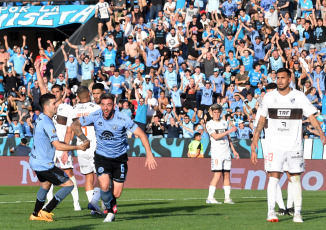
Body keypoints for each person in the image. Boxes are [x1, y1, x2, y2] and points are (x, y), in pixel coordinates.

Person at [251, 68, 326, 223]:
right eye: (278, 78)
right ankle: (271, 212)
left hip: (294, 146)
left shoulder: (298, 96)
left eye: (283, 78)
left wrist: (321, 133)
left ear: (290, 78)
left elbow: (311, 116)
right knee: (273, 177)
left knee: (296, 178)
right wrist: (254, 142)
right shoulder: (270, 97)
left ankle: (297, 212)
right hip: (274, 146)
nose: (279, 80)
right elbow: (261, 121)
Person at [71, 93, 157, 222]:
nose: (105, 108)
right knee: (104, 185)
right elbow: (75, 124)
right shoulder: (95, 115)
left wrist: (149, 154)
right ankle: (110, 210)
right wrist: (84, 139)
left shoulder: (123, 119)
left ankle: (109, 204)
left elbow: (141, 134)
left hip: (119, 158)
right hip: (102, 156)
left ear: (114, 105)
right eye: (103, 104)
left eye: (109, 105)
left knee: (116, 193)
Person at [29, 93, 89, 222]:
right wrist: (78, 147)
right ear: (46, 106)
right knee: (69, 185)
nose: (57, 105)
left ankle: (35, 214)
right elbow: (58, 146)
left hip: (35, 161)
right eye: (54, 103)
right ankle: (45, 211)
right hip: (44, 163)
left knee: (46, 184)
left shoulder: (41, 118)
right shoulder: (47, 122)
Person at [64, 86, 103, 213]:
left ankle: (93, 209)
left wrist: (66, 149)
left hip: (81, 148)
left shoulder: (73, 110)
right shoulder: (96, 108)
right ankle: (99, 203)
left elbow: (70, 130)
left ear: (78, 97)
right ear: (89, 94)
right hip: (95, 146)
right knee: (101, 176)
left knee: (88, 178)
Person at [206, 104, 239, 204]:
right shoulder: (209, 124)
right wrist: (229, 131)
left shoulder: (224, 123)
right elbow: (215, 136)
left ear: (220, 112)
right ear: (211, 113)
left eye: (218, 112)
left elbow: (228, 137)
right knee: (217, 174)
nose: (216, 114)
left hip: (226, 152)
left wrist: (233, 150)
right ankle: (210, 198)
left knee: (227, 174)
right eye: (214, 112)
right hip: (217, 153)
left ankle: (227, 198)